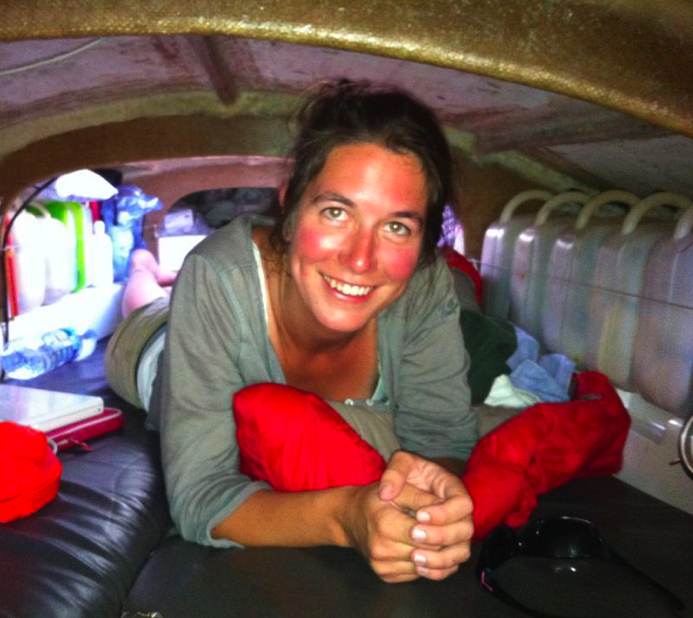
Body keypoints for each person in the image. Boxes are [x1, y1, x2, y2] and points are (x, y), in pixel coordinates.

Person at [105, 79, 478, 583]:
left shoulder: (426, 283)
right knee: (145, 302)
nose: (360, 259)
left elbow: (444, 438)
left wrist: (430, 508)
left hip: (223, 303)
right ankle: (143, 267)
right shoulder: (214, 274)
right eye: (336, 212)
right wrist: (346, 517)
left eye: (396, 227)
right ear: (290, 206)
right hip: (155, 347)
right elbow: (200, 497)